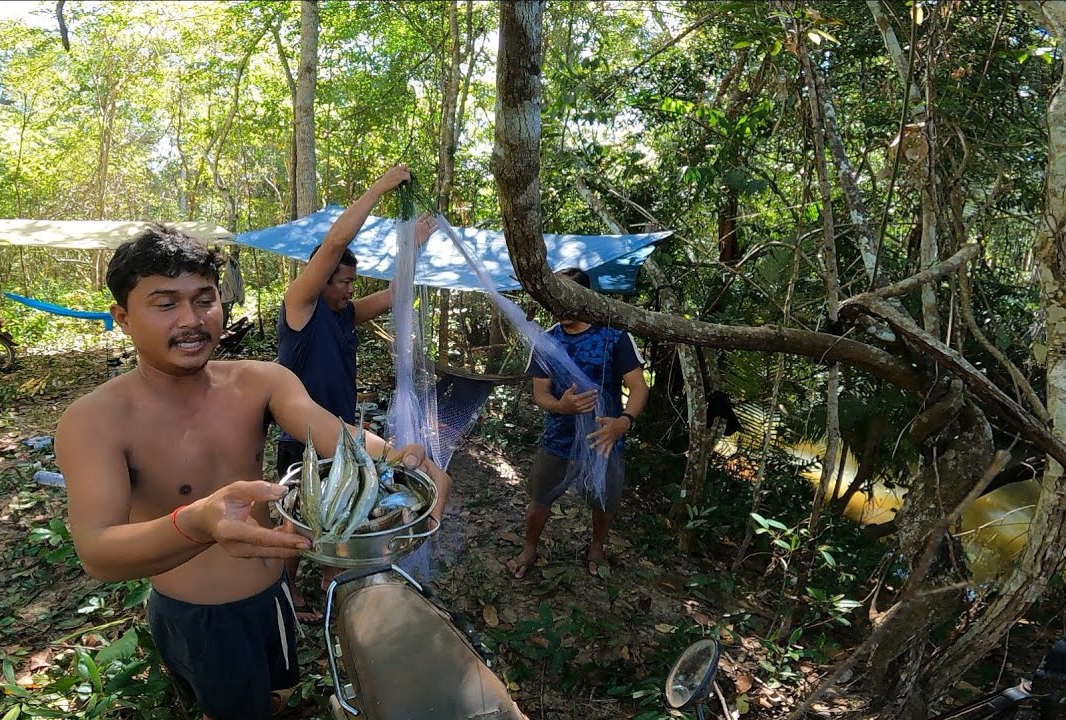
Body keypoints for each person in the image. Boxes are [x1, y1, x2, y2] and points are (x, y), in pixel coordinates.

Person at [55, 224, 450, 720]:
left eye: (204, 300)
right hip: (204, 620)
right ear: (123, 318)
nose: (191, 320)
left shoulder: (259, 382)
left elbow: (333, 432)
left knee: (279, 693)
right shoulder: (95, 420)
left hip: (274, 595)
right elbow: (97, 552)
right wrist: (198, 522)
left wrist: (401, 460)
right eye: (165, 303)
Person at [275, 165, 435, 619]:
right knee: (296, 519)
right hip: (302, 436)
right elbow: (332, 245)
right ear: (321, 278)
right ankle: (287, 592)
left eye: (352, 282)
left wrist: (413, 248)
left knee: (343, 512)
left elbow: (394, 296)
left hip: (343, 433)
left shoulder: (344, 313)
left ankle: (335, 591)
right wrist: (381, 187)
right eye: (343, 281)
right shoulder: (300, 306)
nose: (349, 289)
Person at [505, 268, 649, 579]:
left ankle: (597, 547)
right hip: (559, 438)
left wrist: (623, 422)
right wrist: (561, 406)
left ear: (584, 297)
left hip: (604, 438)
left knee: (604, 499)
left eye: (564, 295)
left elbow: (638, 387)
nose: (557, 303)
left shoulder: (614, 336)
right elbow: (540, 393)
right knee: (540, 497)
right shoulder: (547, 341)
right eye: (552, 297)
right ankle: (529, 548)